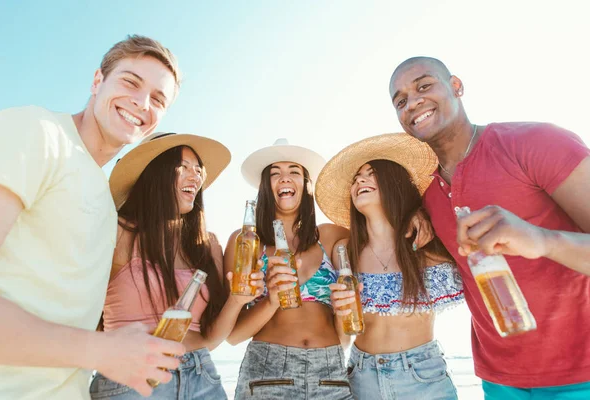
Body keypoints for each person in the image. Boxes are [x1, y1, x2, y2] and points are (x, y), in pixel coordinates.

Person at [0, 35, 185, 399]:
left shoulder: (105, 200)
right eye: (130, 81)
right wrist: (103, 351)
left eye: (158, 100)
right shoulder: (37, 133)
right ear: (97, 81)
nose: (141, 102)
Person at [389, 56, 590, 398]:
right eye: (400, 101)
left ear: (456, 86)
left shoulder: (536, 142)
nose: (413, 102)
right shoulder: (428, 196)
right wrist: (414, 212)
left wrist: (542, 240)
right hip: (498, 380)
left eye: (424, 86)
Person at [90, 131, 255, 399]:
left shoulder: (207, 243)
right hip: (132, 380)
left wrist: (237, 301)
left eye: (198, 169)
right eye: (183, 167)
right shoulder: (117, 232)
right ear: (156, 174)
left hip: (202, 379)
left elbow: (211, 338)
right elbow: (74, 305)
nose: (197, 176)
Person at [316, 133, 464, 400]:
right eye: (356, 178)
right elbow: (342, 341)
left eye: (371, 174)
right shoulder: (343, 251)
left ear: (393, 182)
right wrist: (340, 313)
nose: (360, 180)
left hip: (422, 379)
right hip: (360, 379)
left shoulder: (429, 243)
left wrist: (419, 212)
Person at [225, 138, 353, 399]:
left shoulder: (331, 236)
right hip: (267, 370)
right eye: (275, 174)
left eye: (294, 171)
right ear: (265, 187)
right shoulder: (246, 243)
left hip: (330, 373)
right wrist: (273, 300)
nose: (285, 178)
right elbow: (233, 335)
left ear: (307, 185)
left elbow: (346, 335)